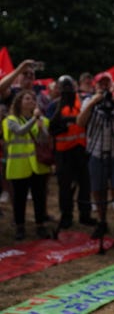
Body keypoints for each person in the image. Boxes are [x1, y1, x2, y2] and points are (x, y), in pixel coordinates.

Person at [77, 72, 114, 239]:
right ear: (95, 86)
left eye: (106, 83)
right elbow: (80, 123)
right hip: (96, 151)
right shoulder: (89, 101)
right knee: (98, 189)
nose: (104, 87)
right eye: (100, 84)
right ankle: (102, 222)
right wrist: (94, 102)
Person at [2, 90, 52, 240]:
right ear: (19, 102)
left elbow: (44, 139)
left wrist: (41, 125)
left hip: (37, 165)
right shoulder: (10, 120)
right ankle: (20, 226)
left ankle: (40, 225)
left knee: (39, 196)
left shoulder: (41, 119)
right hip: (18, 166)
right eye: (27, 99)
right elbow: (20, 131)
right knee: (19, 198)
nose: (31, 101)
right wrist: (35, 119)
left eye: (33, 99)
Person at [49, 75, 96, 229]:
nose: (68, 91)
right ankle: (66, 215)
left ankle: (85, 214)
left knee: (85, 184)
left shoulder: (82, 103)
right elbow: (51, 129)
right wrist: (64, 124)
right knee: (65, 187)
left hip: (81, 150)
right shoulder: (54, 106)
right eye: (65, 88)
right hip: (63, 153)